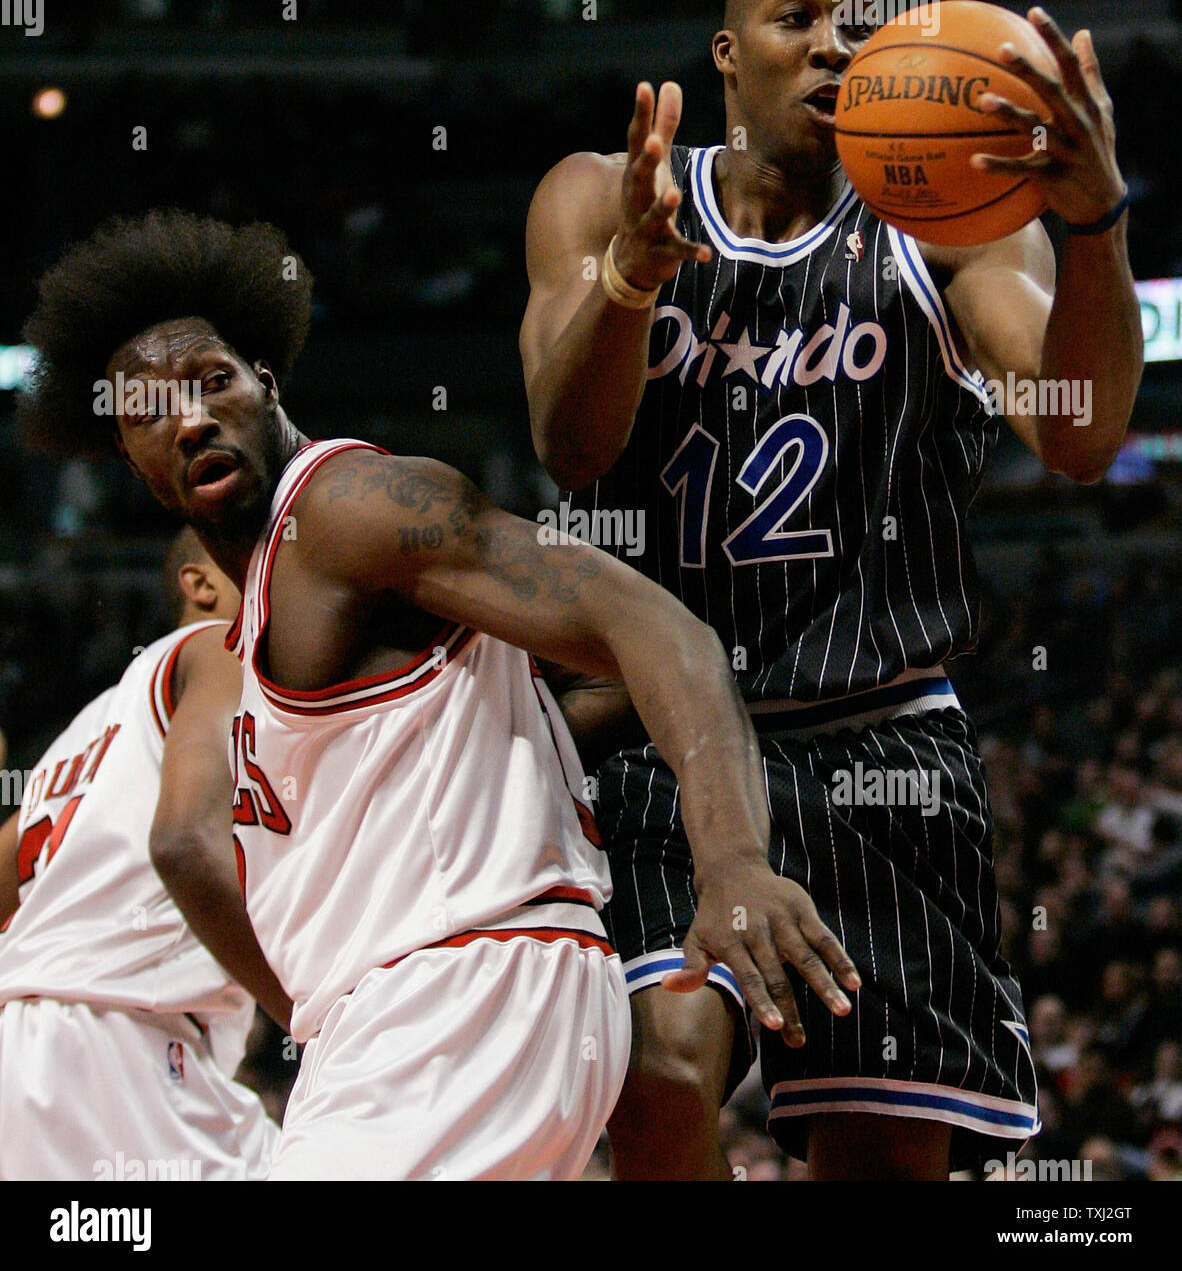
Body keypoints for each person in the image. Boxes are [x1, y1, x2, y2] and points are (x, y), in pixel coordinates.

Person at [20, 209, 859, 1181]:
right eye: (149, 407)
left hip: (466, 990)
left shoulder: (348, 507)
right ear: (131, 457)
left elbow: (651, 625)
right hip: (385, 1024)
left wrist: (733, 864)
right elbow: (553, 710)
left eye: (214, 380)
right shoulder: (259, 628)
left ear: (268, 385)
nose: (192, 415)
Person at [519, 0, 1142, 1178]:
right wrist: (632, 283)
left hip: (882, 739)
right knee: (659, 1072)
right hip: (668, 736)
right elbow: (571, 448)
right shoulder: (602, 194)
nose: (832, 43)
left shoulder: (947, 218)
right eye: (797, 16)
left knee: (882, 1158)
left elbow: (1075, 437)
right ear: (726, 51)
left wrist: (1094, 227)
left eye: (857, 21)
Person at [0, 527, 286, 1180]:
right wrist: (308, 1015)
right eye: (274, 566)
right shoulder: (219, 648)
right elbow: (183, 845)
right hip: (120, 1045)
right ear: (204, 583)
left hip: (29, 1041)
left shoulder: (85, 728)